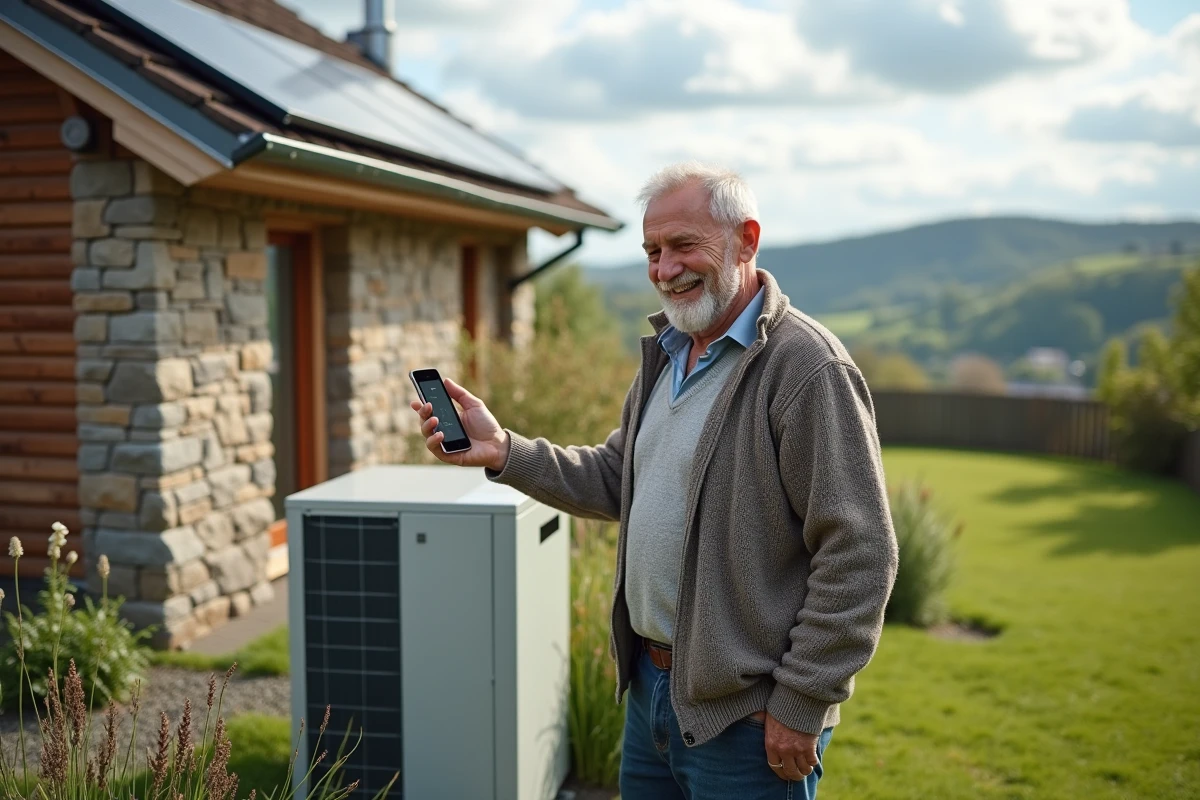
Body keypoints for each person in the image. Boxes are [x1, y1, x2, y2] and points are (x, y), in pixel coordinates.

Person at [410, 162, 898, 800]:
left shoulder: (807, 369)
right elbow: (620, 479)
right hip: (652, 694)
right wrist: (505, 450)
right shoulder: (671, 351)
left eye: (684, 246)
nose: (665, 268)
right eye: (652, 251)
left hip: (746, 717)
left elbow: (861, 552)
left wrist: (802, 701)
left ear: (746, 240)